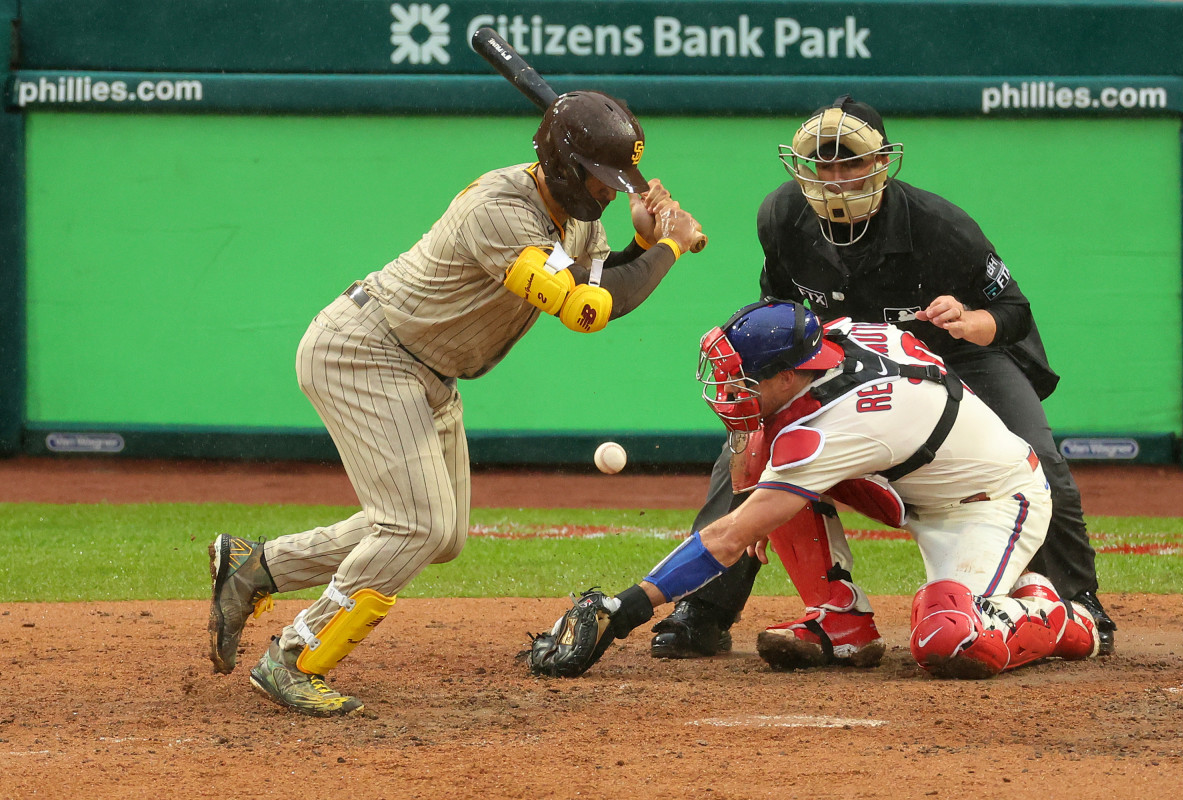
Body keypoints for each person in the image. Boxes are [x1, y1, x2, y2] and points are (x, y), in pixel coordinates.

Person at [206, 90, 704, 716]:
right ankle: (294, 657)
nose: (608, 192)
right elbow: (584, 311)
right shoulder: (500, 211)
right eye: (600, 179)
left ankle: (256, 568)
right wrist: (672, 247)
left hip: (429, 371)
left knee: (439, 536)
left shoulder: (581, 220)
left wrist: (641, 244)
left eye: (616, 182)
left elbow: (597, 283)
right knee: (416, 525)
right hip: (367, 353)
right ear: (560, 164)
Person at [649, 95, 1116, 664]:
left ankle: (1078, 603)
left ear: (881, 164)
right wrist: (757, 430)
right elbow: (781, 310)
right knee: (745, 450)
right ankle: (703, 610)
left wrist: (969, 321)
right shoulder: (782, 216)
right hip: (847, 359)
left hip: (953, 358)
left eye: (852, 164)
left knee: (1039, 456)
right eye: (825, 167)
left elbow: (1014, 312)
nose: (838, 179)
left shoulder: (940, 227)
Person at [526, 301, 1099, 680]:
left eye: (744, 381)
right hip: (912, 480)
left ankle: (1058, 618)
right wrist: (756, 470)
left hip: (993, 504)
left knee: (947, 640)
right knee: (776, 468)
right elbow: (768, 437)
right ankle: (841, 622)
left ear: (783, 376)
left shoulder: (843, 423)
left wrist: (621, 610)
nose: (729, 391)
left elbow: (729, 538)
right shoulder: (834, 340)